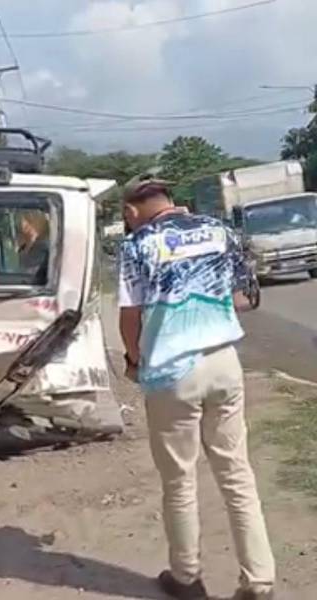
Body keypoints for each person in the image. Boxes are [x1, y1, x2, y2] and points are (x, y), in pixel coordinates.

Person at [118, 177, 275, 600]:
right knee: (237, 473)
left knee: (180, 480)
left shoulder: (137, 246)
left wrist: (135, 360)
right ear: (171, 200)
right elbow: (244, 298)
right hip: (224, 361)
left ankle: (187, 578)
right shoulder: (220, 230)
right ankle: (259, 583)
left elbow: (130, 316)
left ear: (132, 212)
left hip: (172, 372)